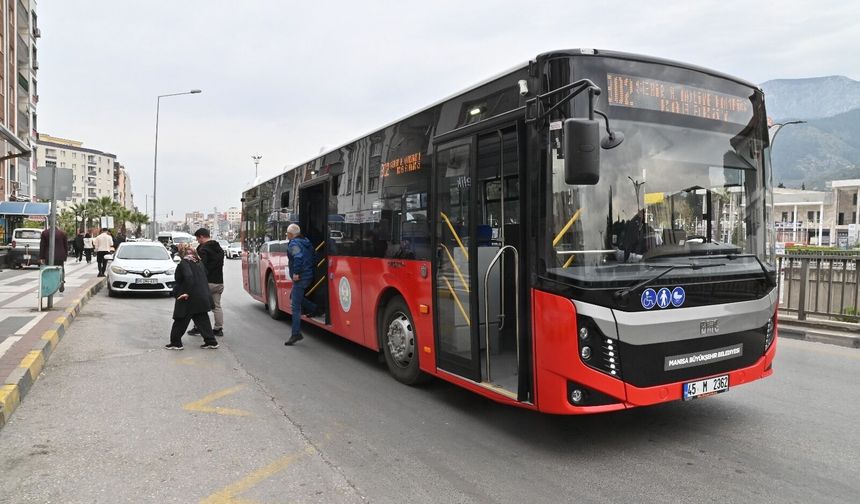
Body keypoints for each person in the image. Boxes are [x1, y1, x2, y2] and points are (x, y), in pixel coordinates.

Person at [165, 244, 219, 350]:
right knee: (202, 319)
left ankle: (175, 343)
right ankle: (211, 342)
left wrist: (186, 292)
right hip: (201, 296)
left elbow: (188, 277)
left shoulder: (184, 263)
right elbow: (205, 275)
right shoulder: (198, 262)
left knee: (180, 319)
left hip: (189, 297)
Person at [284, 223, 320, 346]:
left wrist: (296, 272)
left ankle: (296, 334)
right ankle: (314, 308)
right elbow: (315, 256)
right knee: (294, 297)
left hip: (300, 277)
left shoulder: (294, 244)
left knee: (295, 306)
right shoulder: (306, 241)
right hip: (308, 275)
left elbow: (298, 257)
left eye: (287, 234)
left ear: (291, 234)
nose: (287, 236)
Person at [187, 228, 225, 337]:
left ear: (202, 237)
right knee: (216, 306)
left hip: (206, 282)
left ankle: (198, 327)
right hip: (218, 282)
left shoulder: (203, 249)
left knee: (199, 305)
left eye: (197, 238)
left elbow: (200, 266)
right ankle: (218, 329)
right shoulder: (219, 249)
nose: (197, 240)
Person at [39, 226, 69, 293]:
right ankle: (61, 281)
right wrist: (65, 255)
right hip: (60, 255)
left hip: (48, 256)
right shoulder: (62, 233)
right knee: (61, 269)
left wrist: (41, 257)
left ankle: (51, 285)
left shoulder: (45, 233)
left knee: (49, 270)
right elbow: (66, 246)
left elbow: (42, 246)